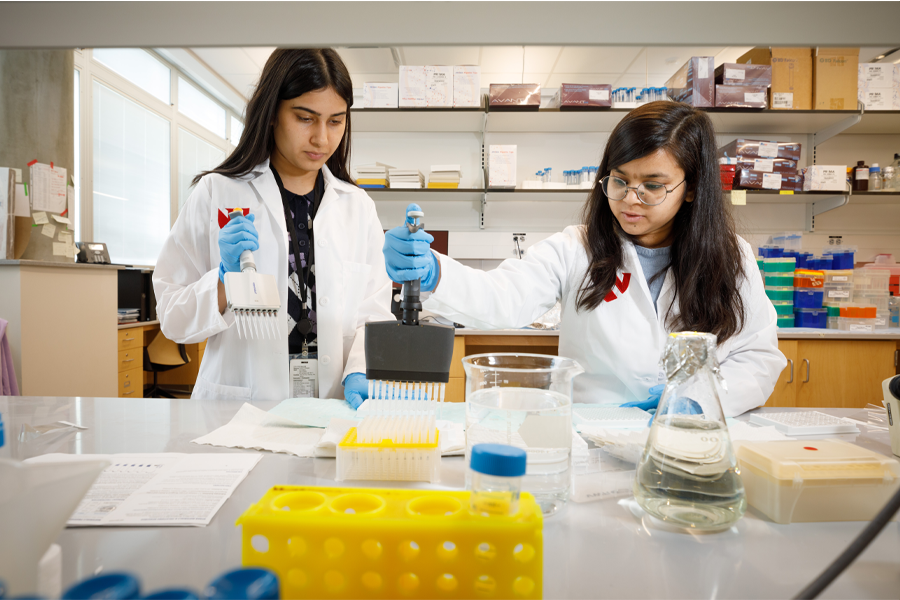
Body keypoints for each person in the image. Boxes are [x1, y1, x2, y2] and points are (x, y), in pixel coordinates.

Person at [383, 102, 785, 417]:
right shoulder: (576, 248)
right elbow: (503, 298)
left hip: (689, 436)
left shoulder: (732, 258)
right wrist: (435, 271)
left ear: (692, 188)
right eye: (620, 180)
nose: (630, 198)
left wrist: (694, 402)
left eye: (653, 186)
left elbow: (758, 356)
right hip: (594, 436)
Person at [154, 48, 393, 406]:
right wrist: (223, 282)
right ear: (271, 114)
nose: (322, 139)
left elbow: (372, 315)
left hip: (331, 406)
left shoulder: (358, 209)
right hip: (240, 408)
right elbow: (172, 318)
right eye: (305, 118)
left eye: (335, 121)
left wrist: (359, 368)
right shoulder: (217, 192)